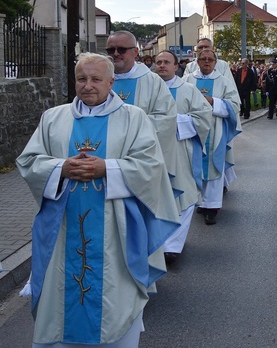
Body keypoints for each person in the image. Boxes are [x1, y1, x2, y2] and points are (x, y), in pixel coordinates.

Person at [16, 53, 180, 346]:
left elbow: (152, 166)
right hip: (62, 227)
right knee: (60, 299)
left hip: (116, 230)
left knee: (114, 301)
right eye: (82, 79)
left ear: (110, 82)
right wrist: (61, 168)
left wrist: (108, 168)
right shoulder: (53, 118)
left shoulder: (133, 117)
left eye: (95, 79)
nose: (88, 86)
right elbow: (29, 162)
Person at [154, 50, 213, 262]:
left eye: (166, 62)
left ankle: (173, 246)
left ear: (176, 66)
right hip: (151, 153)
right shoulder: (148, 90)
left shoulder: (188, 90)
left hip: (180, 152)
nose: (161, 65)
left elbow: (204, 116)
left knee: (183, 194)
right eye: (158, 62)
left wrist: (169, 122)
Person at [107, 31, 178, 205]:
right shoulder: (100, 79)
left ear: (135, 52)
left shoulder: (152, 81)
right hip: (105, 161)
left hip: (139, 161)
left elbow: (166, 118)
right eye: (111, 50)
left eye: (122, 49)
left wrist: (127, 129)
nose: (116, 53)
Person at [184, 49, 242, 225]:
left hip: (215, 130)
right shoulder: (187, 80)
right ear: (197, 61)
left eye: (210, 60)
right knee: (194, 167)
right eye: (203, 59)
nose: (206, 62)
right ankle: (201, 201)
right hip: (192, 131)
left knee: (214, 167)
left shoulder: (223, 82)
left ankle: (213, 207)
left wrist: (213, 102)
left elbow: (234, 105)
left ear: (216, 63)